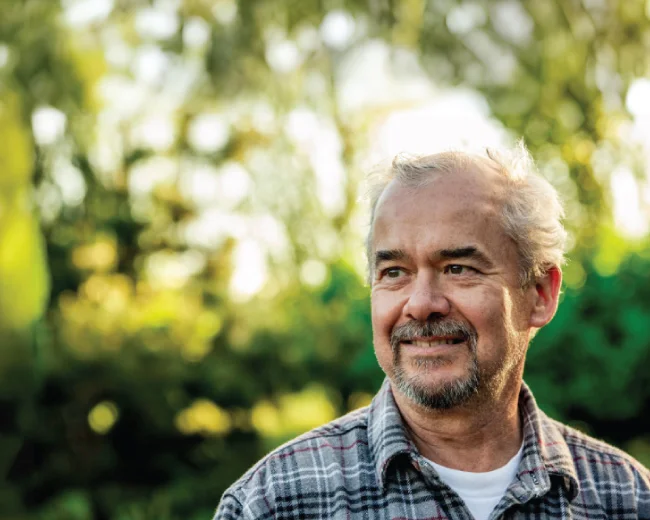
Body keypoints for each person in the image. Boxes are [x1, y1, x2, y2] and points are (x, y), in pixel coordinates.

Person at [214, 142, 650, 519]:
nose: (421, 305)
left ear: (539, 293)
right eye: (394, 272)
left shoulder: (629, 499)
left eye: (457, 268)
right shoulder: (274, 503)